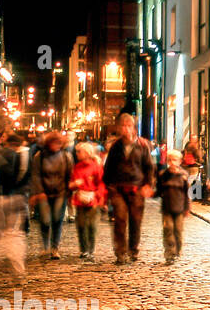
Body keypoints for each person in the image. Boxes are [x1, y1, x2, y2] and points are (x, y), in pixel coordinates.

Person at [102, 114, 154, 265]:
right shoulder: (115, 147)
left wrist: (147, 185)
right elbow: (108, 168)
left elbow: (149, 167)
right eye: (122, 126)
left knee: (135, 221)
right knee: (119, 219)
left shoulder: (142, 146)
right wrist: (108, 188)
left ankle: (133, 249)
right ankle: (120, 252)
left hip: (136, 188)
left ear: (133, 128)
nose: (125, 129)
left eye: (128, 125)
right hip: (118, 189)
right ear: (118, 128)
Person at [29, 130, 76, 259]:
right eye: (54, 143)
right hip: (44, 192)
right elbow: (36, 175)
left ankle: (55, 248)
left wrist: (69, 193)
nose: (56, 146)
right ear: (48, 143)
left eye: (59, 143)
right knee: (44, 220)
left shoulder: (66, 156)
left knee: (57, 220)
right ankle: (45, 247)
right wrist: (39, 192)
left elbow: (69, 175)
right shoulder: (40, 156)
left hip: (60, 192)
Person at [0, 126, 33, 285]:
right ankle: (18, 272)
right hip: (15, 197)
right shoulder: (13, 154)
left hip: (0, 198)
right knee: (14, 236)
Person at [68, 142, 106, 261]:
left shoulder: (96, 167)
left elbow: (101, 183)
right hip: (80, 200)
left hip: (93, 199)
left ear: (87, 153)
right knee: (81, 225)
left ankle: (91, 249)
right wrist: (74, 185)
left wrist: (99, 197)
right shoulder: (77, 167)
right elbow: (72, 183)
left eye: (79, 152)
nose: (77, 154)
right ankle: (84, 250)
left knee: (91, 225)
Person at [156, 151, 191, 264]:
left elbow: (187, 193)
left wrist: (187, 208)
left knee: (178, 231)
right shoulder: (163, 175)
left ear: (180, 161)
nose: (172, 163)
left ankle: (177, 251)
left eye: (175, 160)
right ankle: (170, 253)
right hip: (167, 207)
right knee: (168, 229)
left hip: (180, 207)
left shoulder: (184, 175)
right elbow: (159, 191)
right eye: (170, 160)